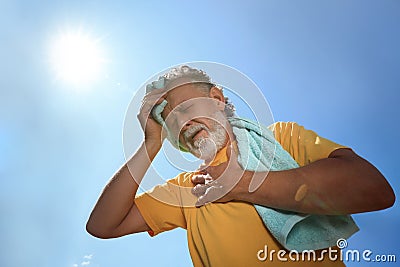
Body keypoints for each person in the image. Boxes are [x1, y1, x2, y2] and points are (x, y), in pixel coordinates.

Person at [86, 65, 395, 266]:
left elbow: (374, 189)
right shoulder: (187, 188)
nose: (183, 123)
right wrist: (151, 143)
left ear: (218, 98)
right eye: (171, 122)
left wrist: (239, 184)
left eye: (187, 107)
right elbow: (102, 225)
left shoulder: (283, 139)